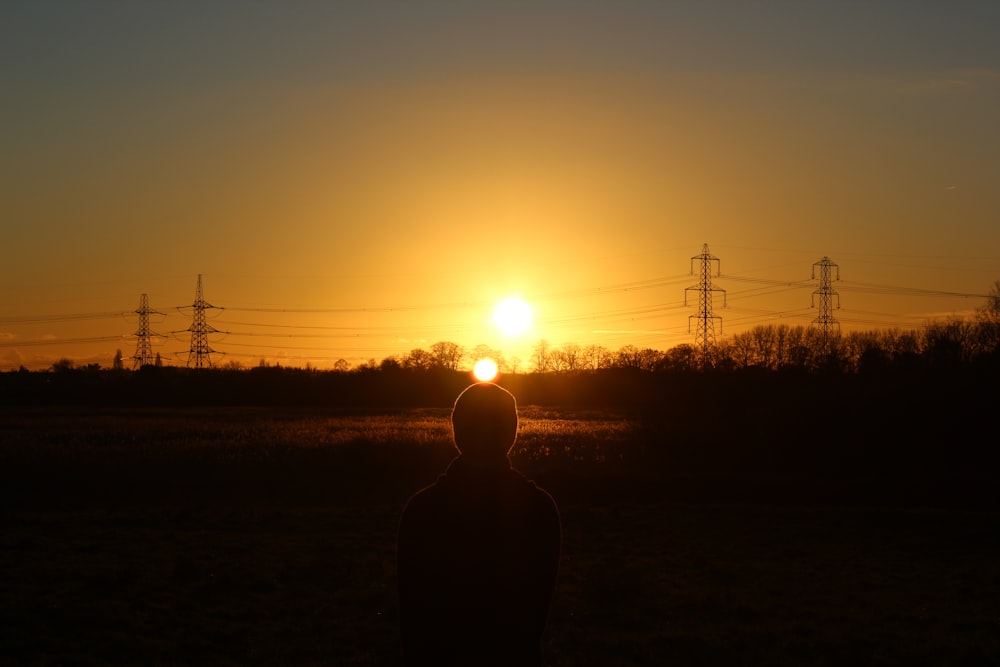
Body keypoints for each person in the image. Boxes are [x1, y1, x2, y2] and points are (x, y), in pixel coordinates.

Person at [397, 382, 561, 666]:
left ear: (456, 433)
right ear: (512, 434)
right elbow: (536, 613)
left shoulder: (421, 508)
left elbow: (412, 613)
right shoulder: (541, 508)